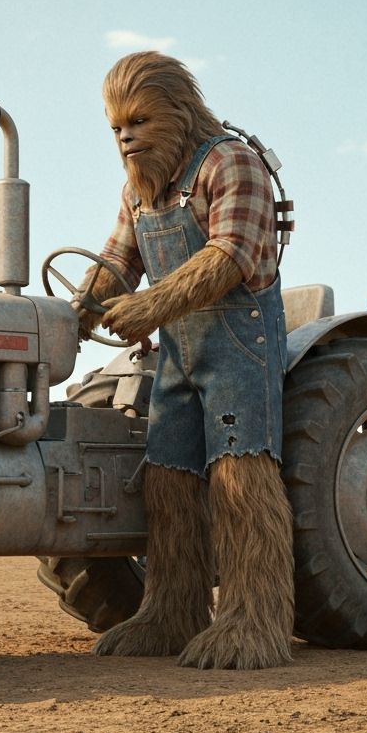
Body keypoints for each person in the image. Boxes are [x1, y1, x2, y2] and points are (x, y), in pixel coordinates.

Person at [81, 51, 294, 669]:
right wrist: (80, 307)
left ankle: (255, 621)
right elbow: (116, 263)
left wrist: (149, 306)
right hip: (180, 350)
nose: (125, 137)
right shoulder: (140, 191)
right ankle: (170, 612)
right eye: (116, 126)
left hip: (237, 345)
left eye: (140, 121)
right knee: (167, 479)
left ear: (178, 113)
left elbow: (229, 257)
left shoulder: (230, 164)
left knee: (239, 481)